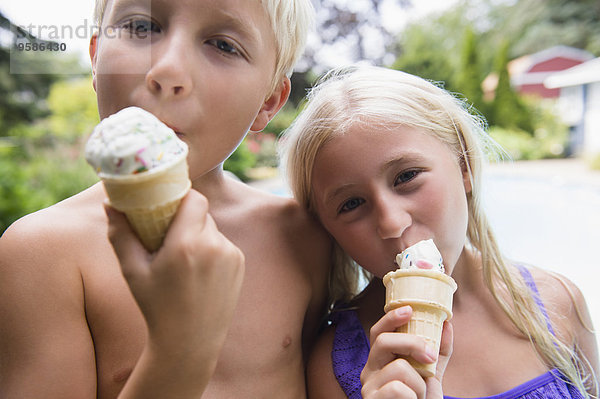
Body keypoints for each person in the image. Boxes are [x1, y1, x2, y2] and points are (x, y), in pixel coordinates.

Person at [0, 0, 332, 398]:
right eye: (141, 27)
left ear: (268, 102)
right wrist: (180, 350)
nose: (168, 70)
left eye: (223, 45)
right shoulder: (42, 254)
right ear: (95, 57)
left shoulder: (304, 235)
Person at [279, 65, 599, 398]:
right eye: (351, 204)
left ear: (464, 164)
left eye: (406, 177)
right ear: (328, 229)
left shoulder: (560, 302)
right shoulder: (336, 368)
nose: (391, 222)